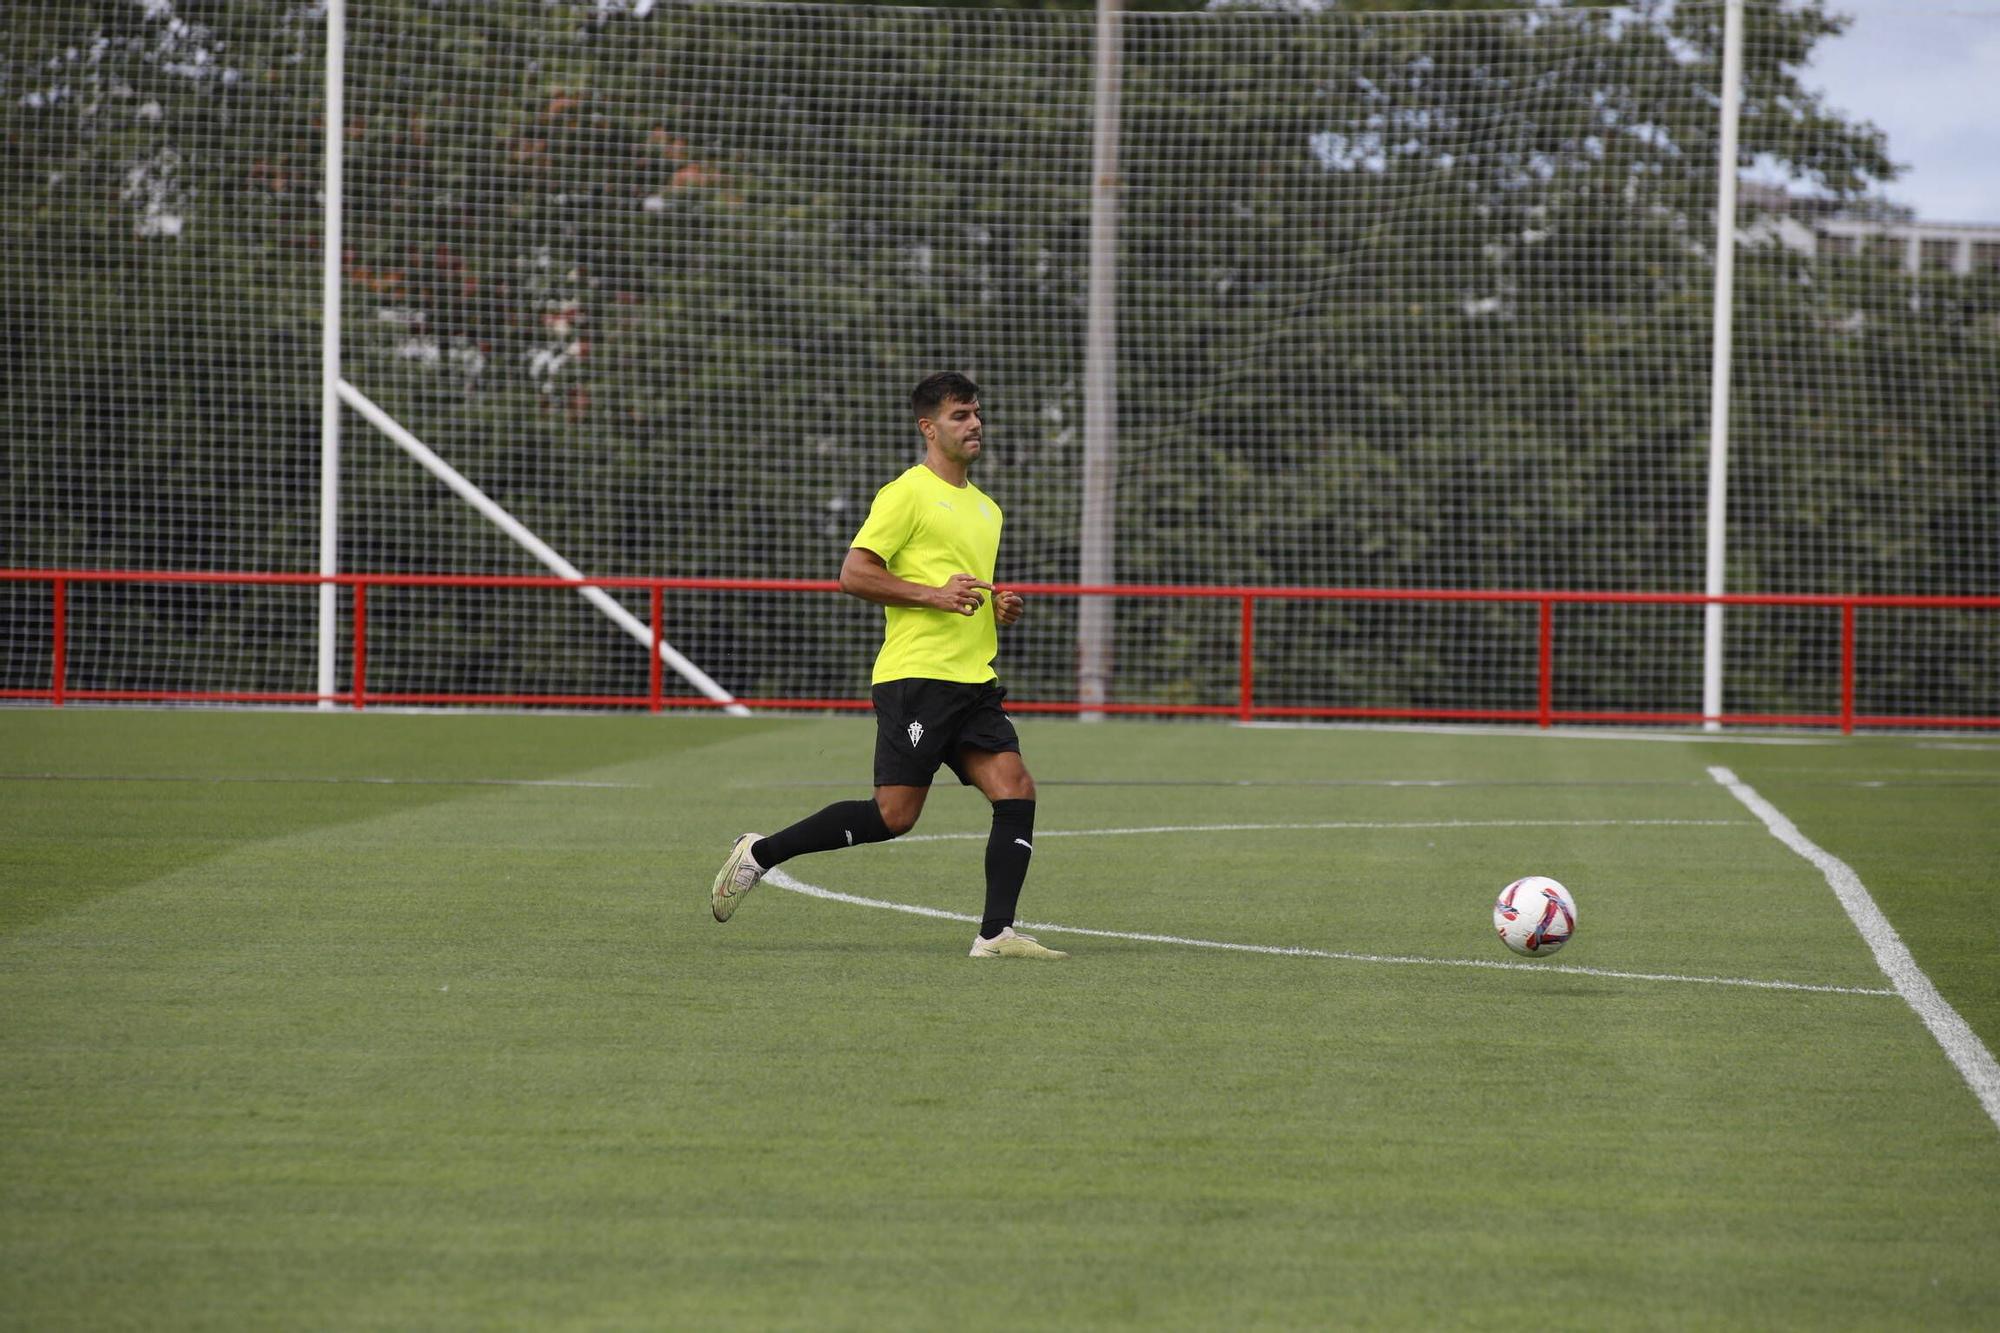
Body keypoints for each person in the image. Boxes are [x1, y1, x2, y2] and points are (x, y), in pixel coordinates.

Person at [708, 371, 1065, 959]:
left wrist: (996, 604)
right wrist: (934, 596)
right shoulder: (906, 493)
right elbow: (854, 574)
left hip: (973, 680)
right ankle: (759, 854)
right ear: (928, 427)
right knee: (895, 816)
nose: (974, 423)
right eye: (959, 416)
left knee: (1016, 790)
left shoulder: (987, 509)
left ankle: (995, 934)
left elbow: (960, 585)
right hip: (917, 679)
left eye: (976, 413)